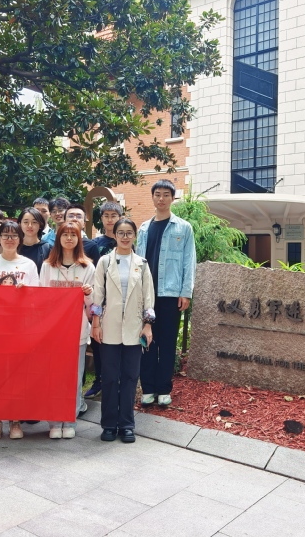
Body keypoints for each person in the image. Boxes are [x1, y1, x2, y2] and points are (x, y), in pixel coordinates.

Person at [91, 218, 154, 443]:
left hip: (134, 329)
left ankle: (127, 424)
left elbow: (149, 297)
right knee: (109, 377)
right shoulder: (105, 262)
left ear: (134, 236)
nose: (125, 237)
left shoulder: (142, 264)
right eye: (121, 233)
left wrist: (148, 325)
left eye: (129, 233)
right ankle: (108, 424)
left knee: (130, 377)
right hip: (109, 326)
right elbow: (97, 294)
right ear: (115, 235)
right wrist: (95, 323)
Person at [0, 220, 39, 441]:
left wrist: (26, 292)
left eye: (14, 236)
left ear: (20, 239)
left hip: (19, 328)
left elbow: (37, 298)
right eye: (5, 235)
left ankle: (15, 419)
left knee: (17, 374)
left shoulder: (28, 265)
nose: (10, 239)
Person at [136, 179, 196, 408]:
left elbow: (189, 261)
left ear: (172, 198)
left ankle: (164, 389)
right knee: (146, 341)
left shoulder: (183, 227)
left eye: (166, 195)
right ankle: (148, 388)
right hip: (146, 294)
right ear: (153, 197)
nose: (161, 199)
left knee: (168, 342)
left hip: (171, 294)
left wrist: (185, 292)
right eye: (157, 194)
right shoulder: (144, 228)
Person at [39, 222, 95, 440]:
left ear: (79, 239)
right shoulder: (47, 266)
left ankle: (70, 420)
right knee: (53, 378)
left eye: (73, 234)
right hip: (52, 332)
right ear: (58, 238)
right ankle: (54, 422)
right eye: (65, 234)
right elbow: (41, 300)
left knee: (74, 378)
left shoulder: (87, 268)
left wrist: (88, 294)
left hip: (77, 332)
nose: (69, 238)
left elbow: (93, 306)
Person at [85, 201, 124, 398]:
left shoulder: (126, 242)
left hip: (121, 300)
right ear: (101, 219)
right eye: (106, 216)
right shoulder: (95, 244)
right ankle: (99, 381)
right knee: (98, 342)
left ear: (120, 218)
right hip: (99, 299)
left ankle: (118, 381)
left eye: (114, 215)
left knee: (119, 342)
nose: (110, 219)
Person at [17, 207, 52, 272]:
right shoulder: (14, 247)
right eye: (26, 222)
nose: (30, 225)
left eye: (34, 222)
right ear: (19, 224)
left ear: (40, 225)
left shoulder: (47, 249)